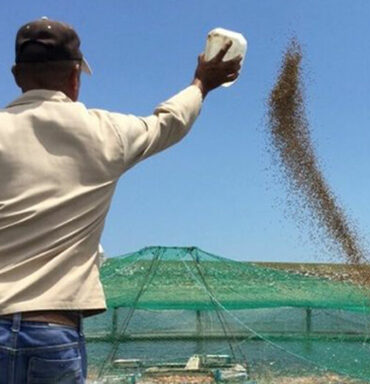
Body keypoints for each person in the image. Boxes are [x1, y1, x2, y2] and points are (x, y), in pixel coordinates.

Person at [0, 17, 241, 383]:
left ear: (17, 75)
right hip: (52, 331)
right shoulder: (105, 133)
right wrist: (201, 84)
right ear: (75, 77)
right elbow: (169, 122)